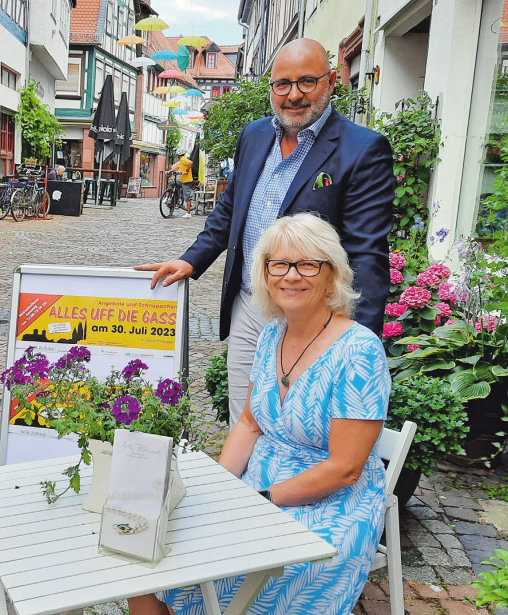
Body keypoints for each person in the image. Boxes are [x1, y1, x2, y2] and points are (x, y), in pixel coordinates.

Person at [129, 213, 390, 615]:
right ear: (265, 274)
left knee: (239, 566)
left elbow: (345, 469)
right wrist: (219, 487)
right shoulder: (272, 334)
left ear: (331, 274)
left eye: (307, 264)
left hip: (332, 503)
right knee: (148, 555)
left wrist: (261, 500)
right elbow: (250, 424)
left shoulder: (360, 350)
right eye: (279, 264)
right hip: (261, 482)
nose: (291, 276)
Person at [136, 38, 394, 424]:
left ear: (332, 81)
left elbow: (367, 252)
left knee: (303, 421)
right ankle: (245, 485)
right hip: (249, 303)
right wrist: (192, 260)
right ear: (270, 87)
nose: (293, 95)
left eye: (307, 82)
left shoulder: (362, 149)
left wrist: (362, 344)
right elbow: (231, 208)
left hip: (311, 313)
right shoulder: (255, 135)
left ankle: (284, 487)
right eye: (282, 84)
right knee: (246, 417)